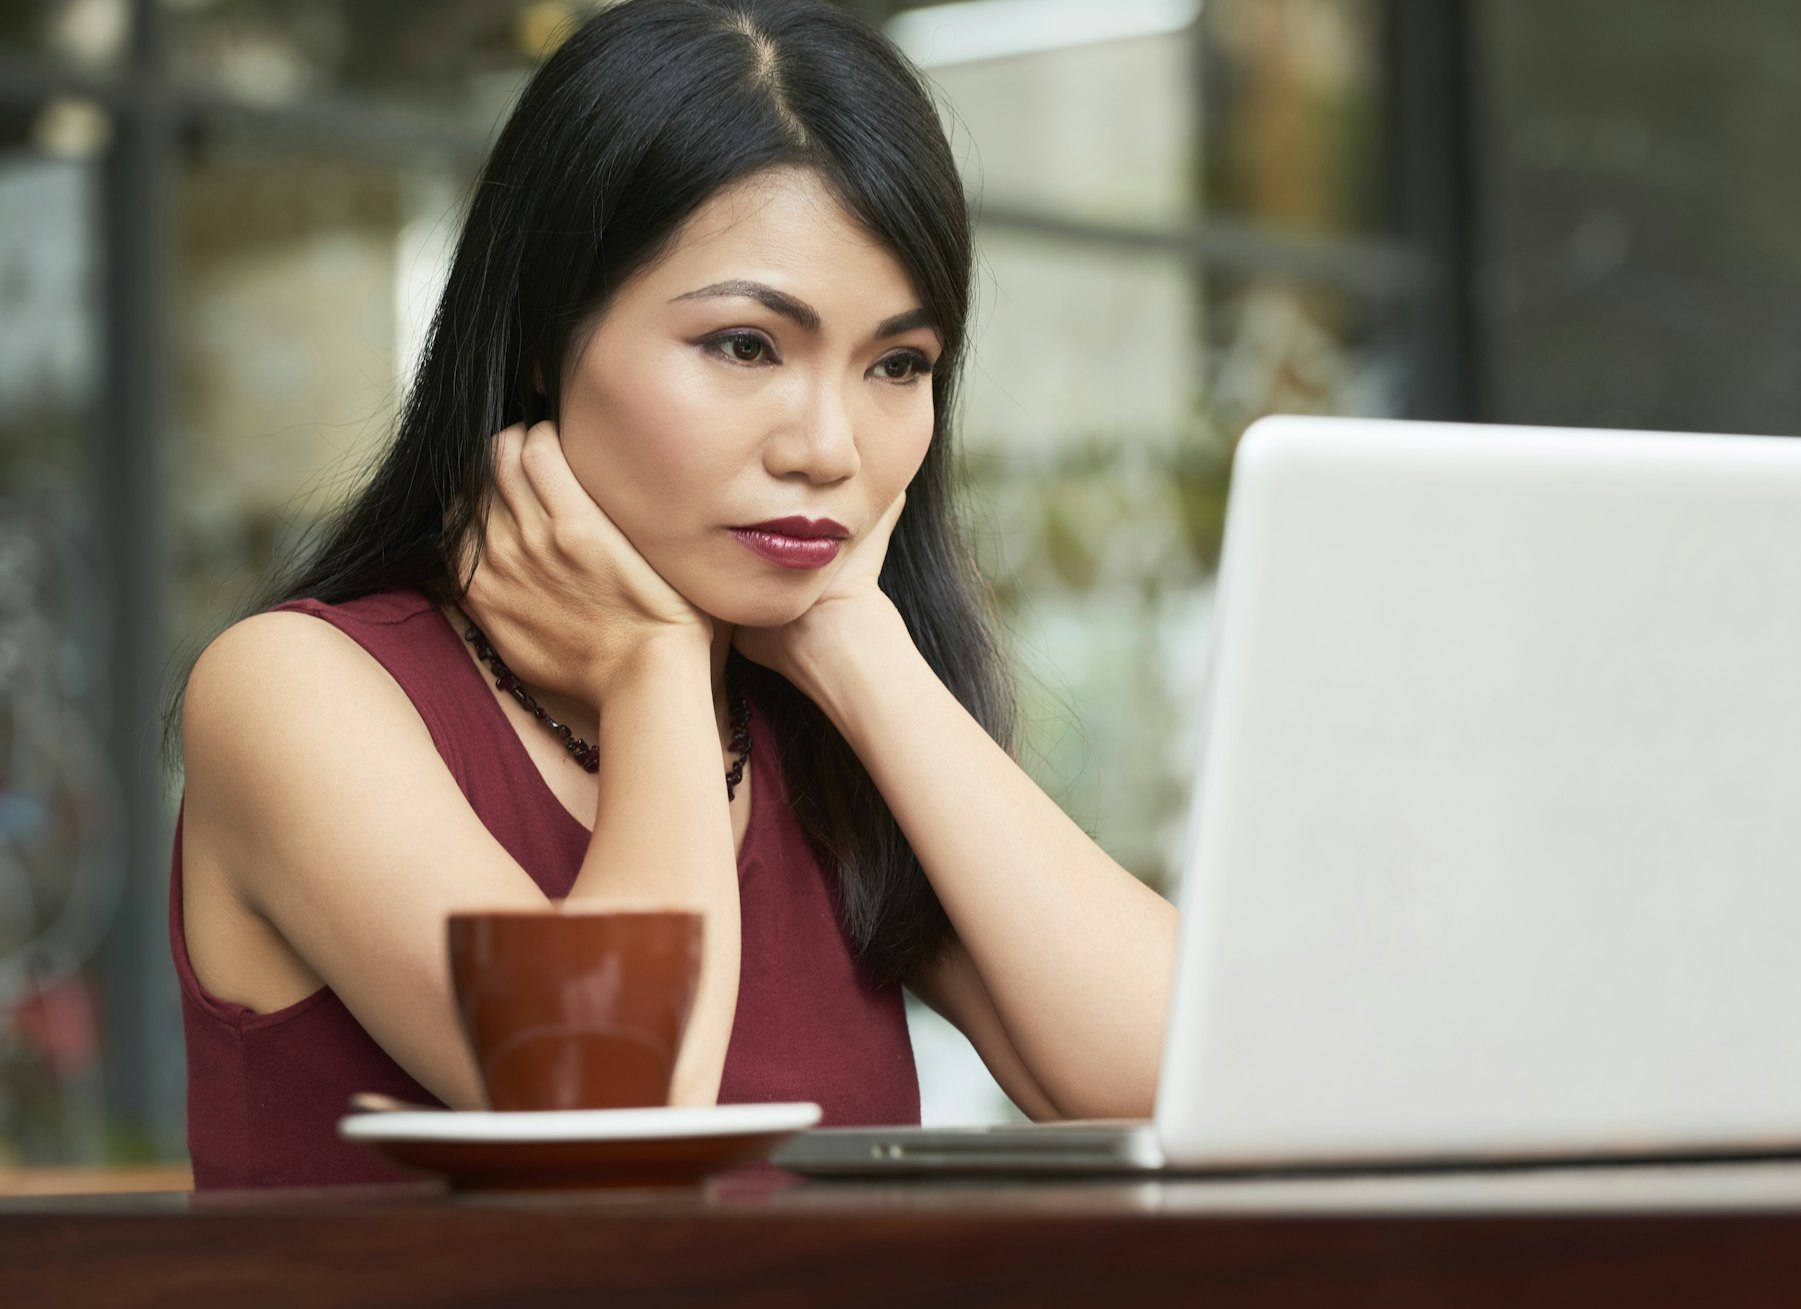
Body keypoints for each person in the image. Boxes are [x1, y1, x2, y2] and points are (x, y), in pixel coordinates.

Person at [169, 0, 1179, 1189]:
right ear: (548, 339)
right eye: (746, 345)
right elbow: (615, 1107)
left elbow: (1183, 1083)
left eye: (897, 366)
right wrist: (648, 661)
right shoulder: (297, 689)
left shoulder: (809, 717)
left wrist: (862, 653)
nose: (828, 447)